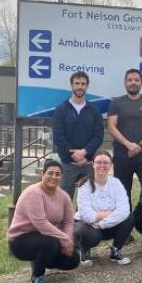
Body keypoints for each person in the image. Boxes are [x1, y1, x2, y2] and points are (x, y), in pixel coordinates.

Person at [8, 159, 78, 283]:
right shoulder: (33, 193)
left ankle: (40, 259)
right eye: (50, 173)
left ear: (61, 177)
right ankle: (37, 276)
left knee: (73, 260)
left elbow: (68, 222)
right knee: (50, 243)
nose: (54, 177)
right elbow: (40, 223)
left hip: (46, 237)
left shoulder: (64, 196)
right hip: (21, 240)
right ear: (42, 174)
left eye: (58, 174)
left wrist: (68, 241)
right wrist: (64, 240)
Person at [107, 68, 142, 204]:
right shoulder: (116, 103)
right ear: (125, 83)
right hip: (122, 156)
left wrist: (140, 145)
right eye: (130, 80)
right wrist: (128, 144)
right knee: (122, 195)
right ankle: (125, 224)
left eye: (136, 80)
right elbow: (111, 127)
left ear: (141, 83)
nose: (133, 83)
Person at [73, 150, 134, 266]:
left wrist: (101, 223)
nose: (102, 165)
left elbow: (124, 210)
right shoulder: (84, 185)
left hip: (102, 225)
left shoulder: (116, 183)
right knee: (82, 229)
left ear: (110, 165)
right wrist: (109, 213)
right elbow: (86, 214)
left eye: (106, 163)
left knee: (129, 217)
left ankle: (116, 251)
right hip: (89, 226)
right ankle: (85, 250)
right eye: (98, 162)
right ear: (93, 164)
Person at [51, 71, 104, 199]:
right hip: (67, 165)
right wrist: (75, 155)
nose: (80, 86)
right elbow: (58, 137)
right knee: (63, 200)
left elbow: (98, 136)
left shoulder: (94, 111)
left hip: (88, 164)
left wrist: (84, 153)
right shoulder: (61, 110)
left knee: (89, 201)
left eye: (83, 84)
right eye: (77, 83)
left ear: (87, 86)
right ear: (71, 85)